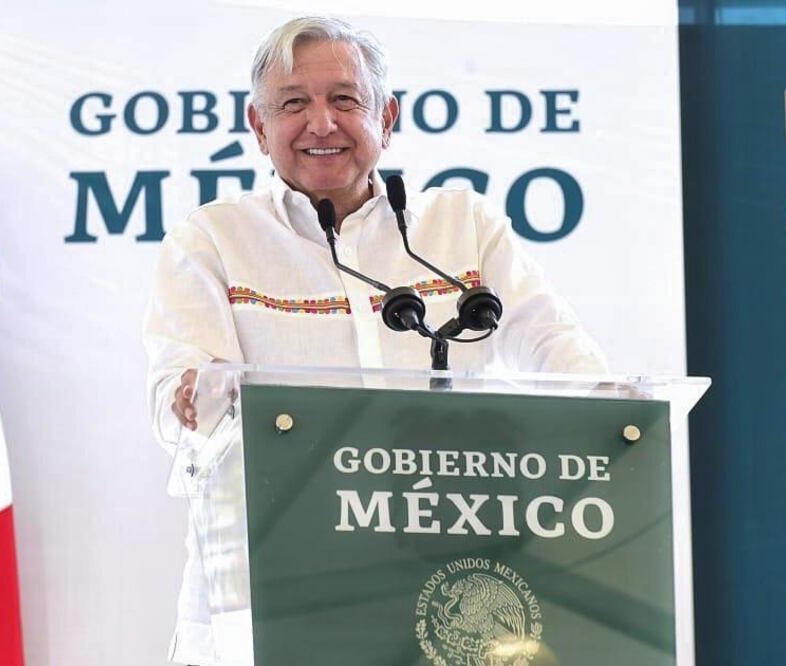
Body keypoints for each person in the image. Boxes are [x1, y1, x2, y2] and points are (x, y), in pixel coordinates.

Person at [143, 16, 607, 665]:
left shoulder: (459, 226)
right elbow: (178, 398)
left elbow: (550, 341)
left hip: (442, 580)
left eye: (343, 100)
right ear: (258, 127)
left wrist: (621, 409)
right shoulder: (211, 240)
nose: (321, 124)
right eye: (293, 104)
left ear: (385, 116)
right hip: (277, 588)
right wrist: (194, 394)